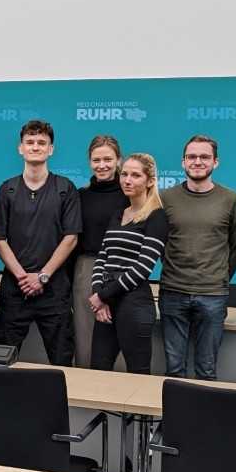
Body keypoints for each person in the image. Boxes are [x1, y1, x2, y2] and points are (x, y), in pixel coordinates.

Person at [0, 119, 81, 365]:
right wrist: (23, 277)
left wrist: (42, 276)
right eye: (30, 142)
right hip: (15, 288)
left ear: (50, 149)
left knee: (62, 359)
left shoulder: (65, 189)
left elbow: (71, 238)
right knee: (1, 360)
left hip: (54, 290)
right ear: (20, 148)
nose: (35, 147)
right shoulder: (7, 190)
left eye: (41, 143)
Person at [158, 135, 236, 380]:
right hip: (172, 291)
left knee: (206, 371)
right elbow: (158, 242)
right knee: (174, 370)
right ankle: (176, 408)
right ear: (183, 162)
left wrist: (219, 275)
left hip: (213, 295)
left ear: (215, 162)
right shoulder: (164, 198)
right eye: (192, 156)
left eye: (204, 157)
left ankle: (204, 409)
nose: (198, 161)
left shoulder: (232, 199)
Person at [89, 153, 169, 373]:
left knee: (138, 372)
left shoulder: (157, 217)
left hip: (134, 303)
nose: (127, 180)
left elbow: (143, 268)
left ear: (150, 181)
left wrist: (102, 296)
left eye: (135, 175)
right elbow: (102, 257)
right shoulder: (118, 214)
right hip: (106, 301)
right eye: (124, 174)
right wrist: (99, 294)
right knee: (98, 369)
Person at [72, 135, 128, 366]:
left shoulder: (130, 195)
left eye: (108, 159)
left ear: (118, 160)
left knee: (122, 345)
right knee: (85, 342)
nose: (102, 165)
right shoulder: (80, 196)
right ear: (89, 162)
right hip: (86, 270)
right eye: (96, 160)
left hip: (123, 272)